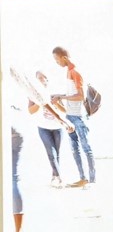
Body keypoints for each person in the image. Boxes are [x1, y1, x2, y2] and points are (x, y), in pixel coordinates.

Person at [50, 46, 96, 187]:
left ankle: (92, 180)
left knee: (86, 148)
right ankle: (82, 178)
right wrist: (58, 99)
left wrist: (61, 96)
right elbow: (71, 96)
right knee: (75, 149)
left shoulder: (75, 72)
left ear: (64, 58)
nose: (57, 63)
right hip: (70, 116)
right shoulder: (68, 72)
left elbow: (81, 96)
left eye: (57, 60)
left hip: (79, 117)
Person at [28, 70, 74, 187]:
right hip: (43, 127)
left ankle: (54, 177)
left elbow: (64, 110)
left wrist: (57, 103)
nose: (41, 80)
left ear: (47, 80)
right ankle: (60, 178)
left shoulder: (55, 92)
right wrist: (39, 101)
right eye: (39, 78)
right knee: (51, 153)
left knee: (56, 154)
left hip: (57, 128)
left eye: (43, 78)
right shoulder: (32, 94)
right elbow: (30, 111)